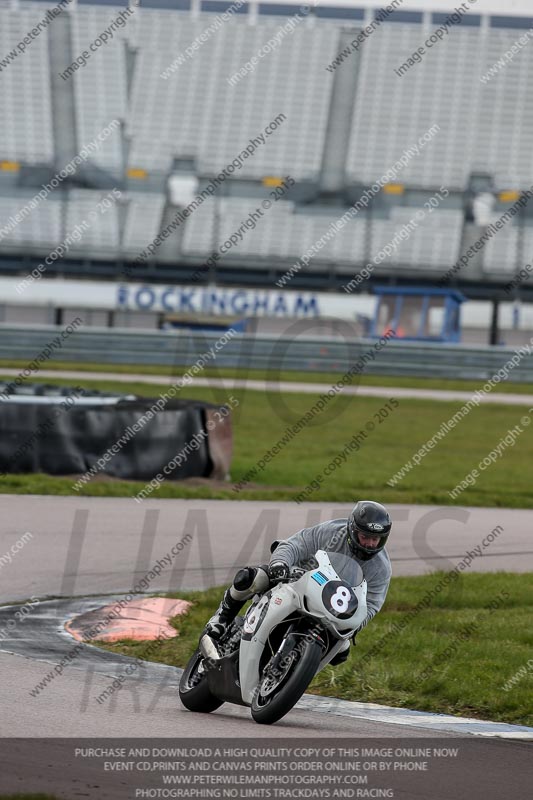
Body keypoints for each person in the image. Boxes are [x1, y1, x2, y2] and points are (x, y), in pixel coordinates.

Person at [204, 500, 392, 664]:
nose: (369, 544)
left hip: (332, 611)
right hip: (297, 581)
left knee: (341, 651)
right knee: (254, 577)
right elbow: (295, 544)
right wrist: (280, 563)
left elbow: (372, 604)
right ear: (352, 529)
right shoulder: (331, 532)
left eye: (375, 539)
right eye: (365, 536)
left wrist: (354, 624)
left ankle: (295, 669)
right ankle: (222, 618)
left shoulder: (381, 568)